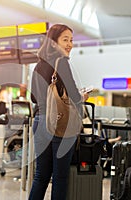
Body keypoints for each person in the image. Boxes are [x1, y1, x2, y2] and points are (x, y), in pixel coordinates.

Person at [29, 23, 89, 200]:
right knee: (60, 178)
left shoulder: (39, 65)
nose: (70, 44)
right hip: (60, 123)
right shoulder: (61, 62)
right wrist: (82, 96)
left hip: (40, 122)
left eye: (71, 40)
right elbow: (73, 95)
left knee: (41, 176)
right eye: (65, 40)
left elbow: (33, 97)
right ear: (54, 42)